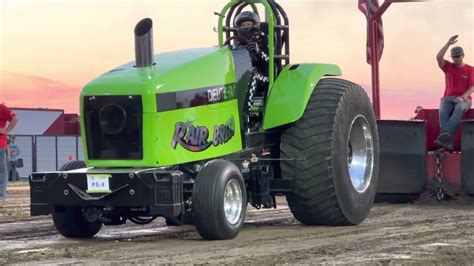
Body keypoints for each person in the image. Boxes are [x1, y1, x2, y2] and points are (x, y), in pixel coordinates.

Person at [434, 35, 474, 150]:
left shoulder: (470, 69)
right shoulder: (448, 67)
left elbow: (472, 88)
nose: (455, 59)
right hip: (447, 98)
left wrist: (462, 97)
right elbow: (438, 57)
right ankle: (447, 141)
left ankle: (444, 134)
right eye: (454, 57)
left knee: (459, 108)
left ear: (463, 55)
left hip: (465, 99)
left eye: (458, 56)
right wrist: (448, 43)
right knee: (443, 112)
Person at [234, 11, 270, 128]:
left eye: (248, 24)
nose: (246, 27)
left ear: (255, 25)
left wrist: (257, 50)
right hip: (242, 75)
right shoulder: (237, 42)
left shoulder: (264, 39)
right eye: (243, 25)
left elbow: (270, 60)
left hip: (263, 75)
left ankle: (254, 118)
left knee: (253, 77)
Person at [0, 103, 18, 198]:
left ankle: (1, 194)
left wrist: (6, 130)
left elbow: (15, 118)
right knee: (2, 170)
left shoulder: (1, 108)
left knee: (2, 170)